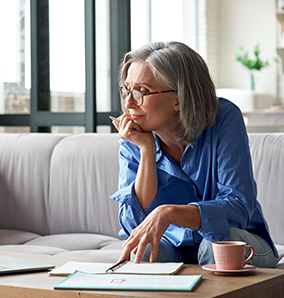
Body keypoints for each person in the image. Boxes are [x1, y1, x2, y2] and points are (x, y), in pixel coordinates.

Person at [109, 41, 278, 268]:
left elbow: (239, 206)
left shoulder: (224, 119)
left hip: (240, 241)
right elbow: (135, 225)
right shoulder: (135, 135)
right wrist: (146, 150)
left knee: (215, 245)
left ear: (179, 98)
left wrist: (170, 213)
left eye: (142, 92)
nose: (129, 103)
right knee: (144, 250)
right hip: (175, 247)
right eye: (126, 90)